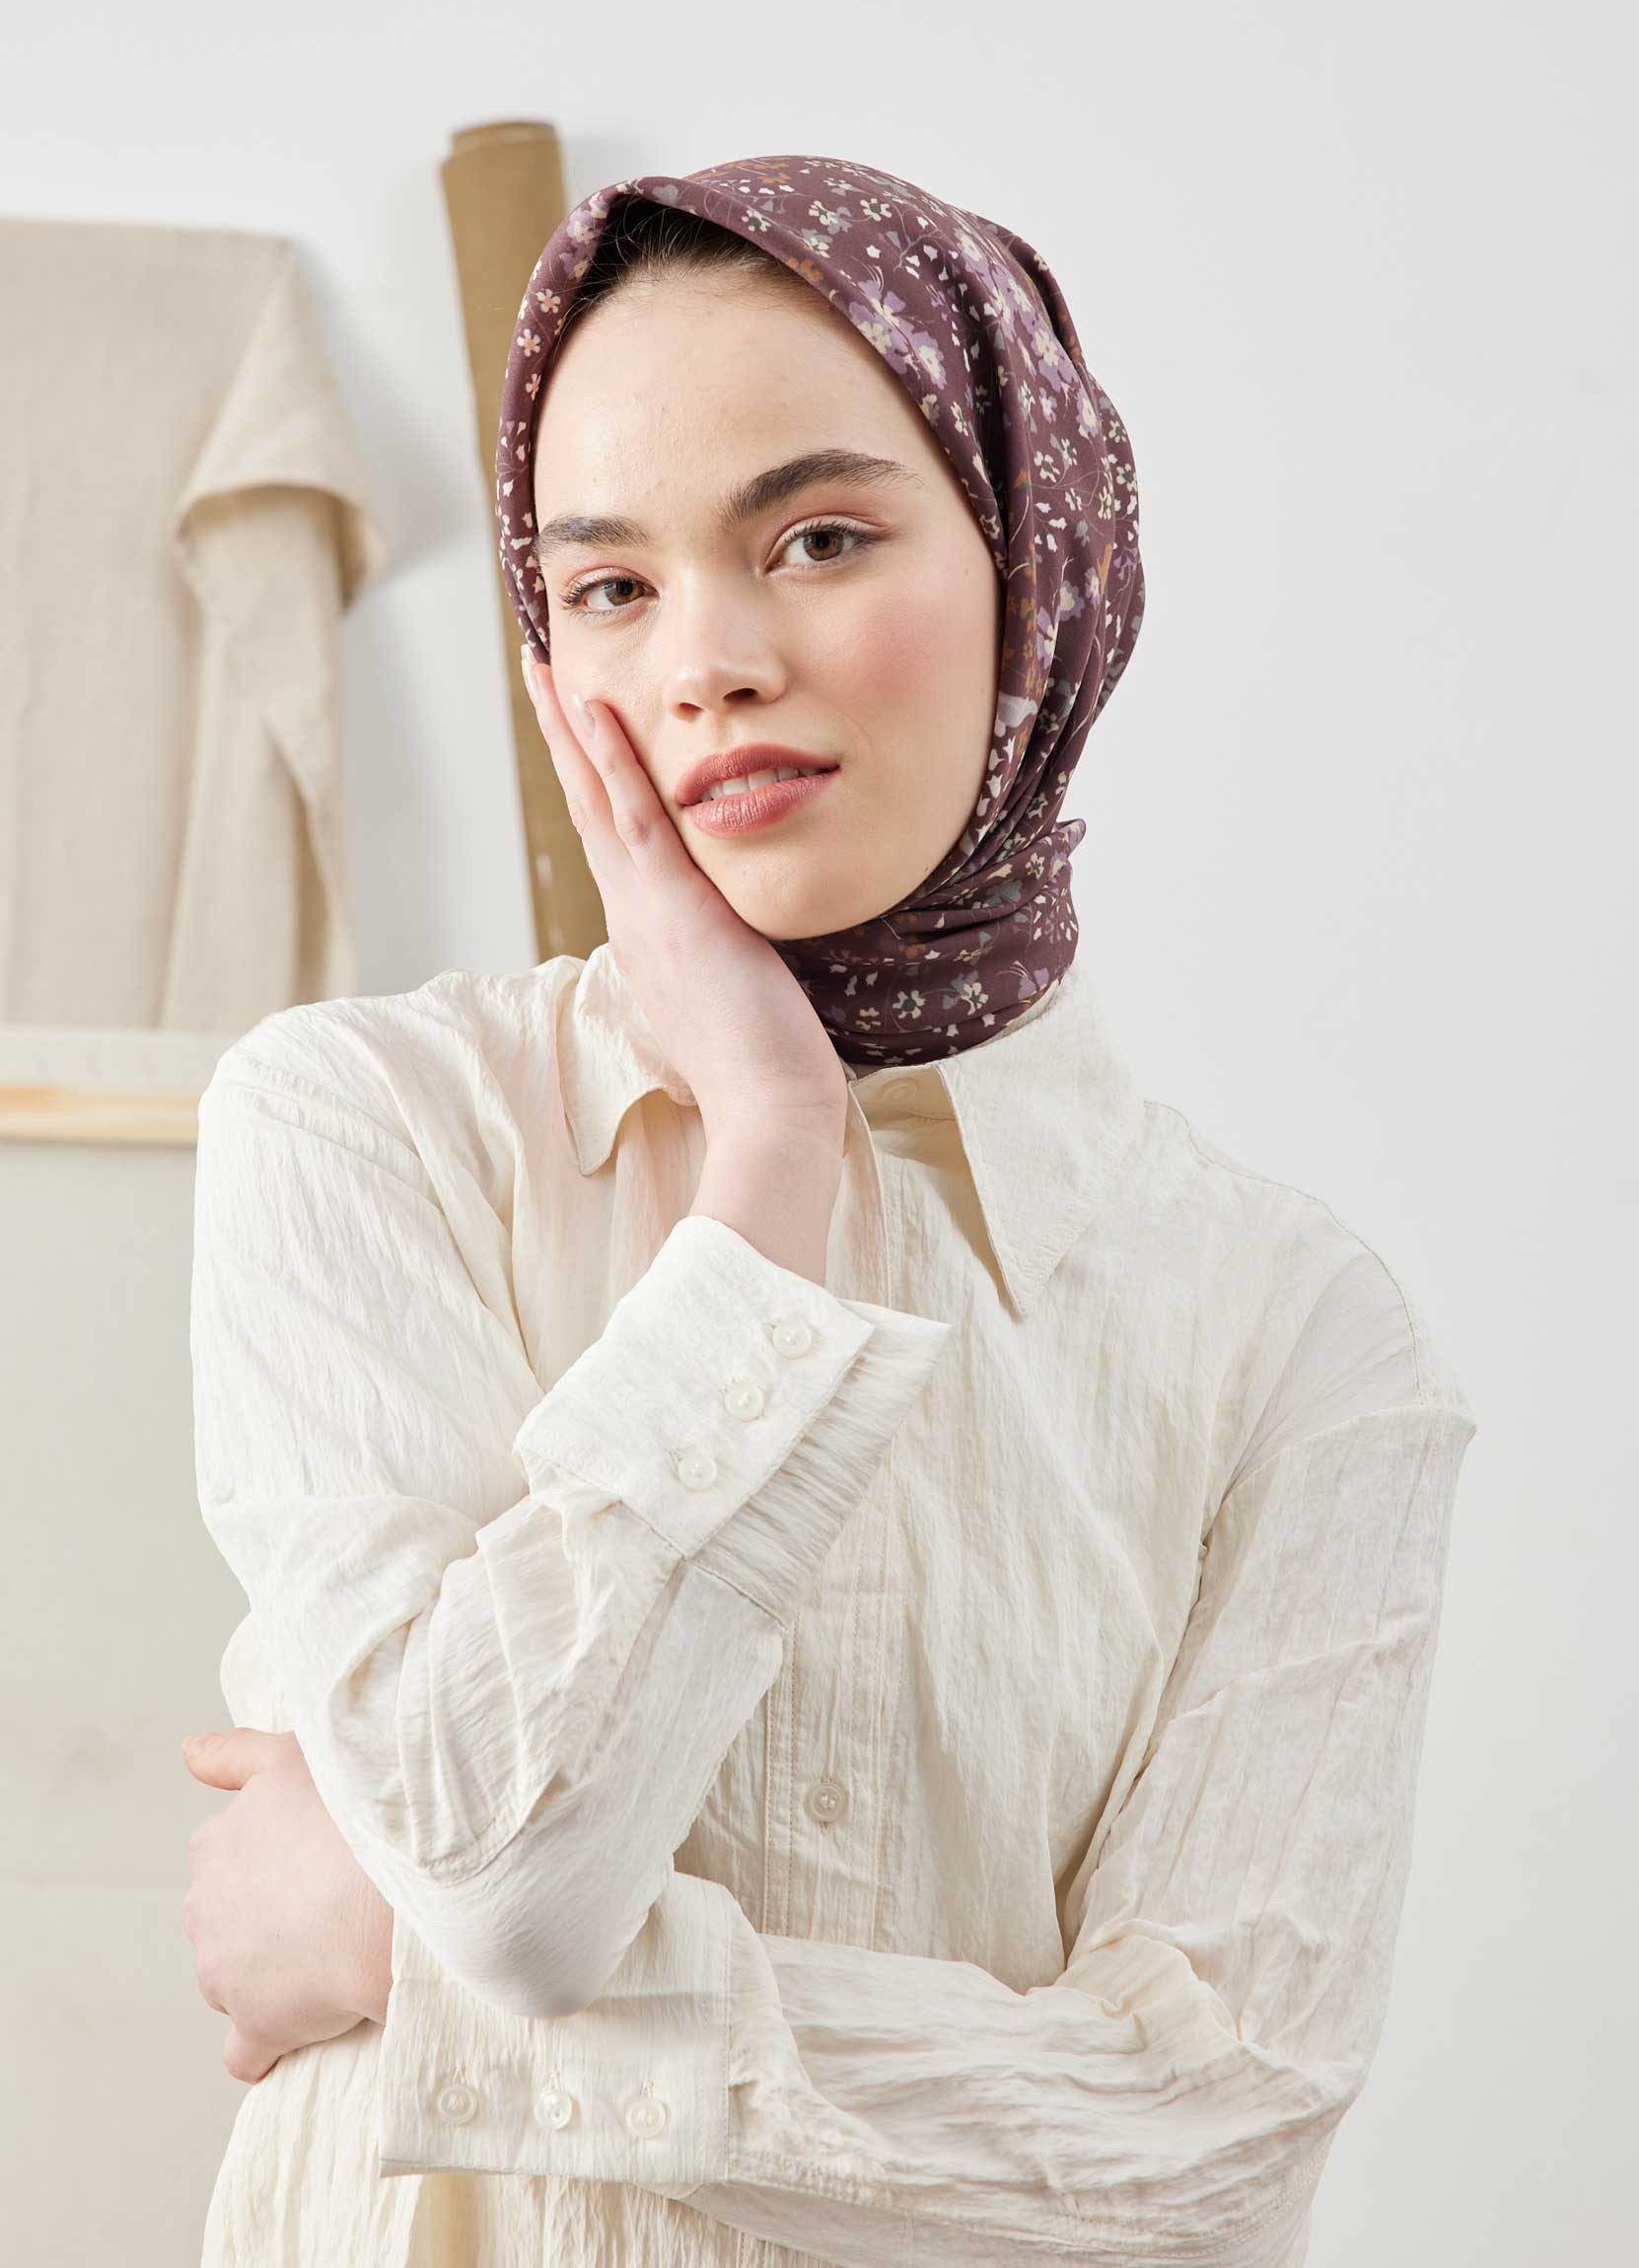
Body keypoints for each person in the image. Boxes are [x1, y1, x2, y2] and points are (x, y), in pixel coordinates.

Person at [183, 155, 1479, 2268]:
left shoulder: (1294, 1330)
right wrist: (775, 1156)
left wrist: (409, 1976)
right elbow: (519, 1871)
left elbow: (1206, 2145)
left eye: (817, 539)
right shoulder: (361, 1128)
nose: (707, 663)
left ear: (1042, 571)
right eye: (611, 588)